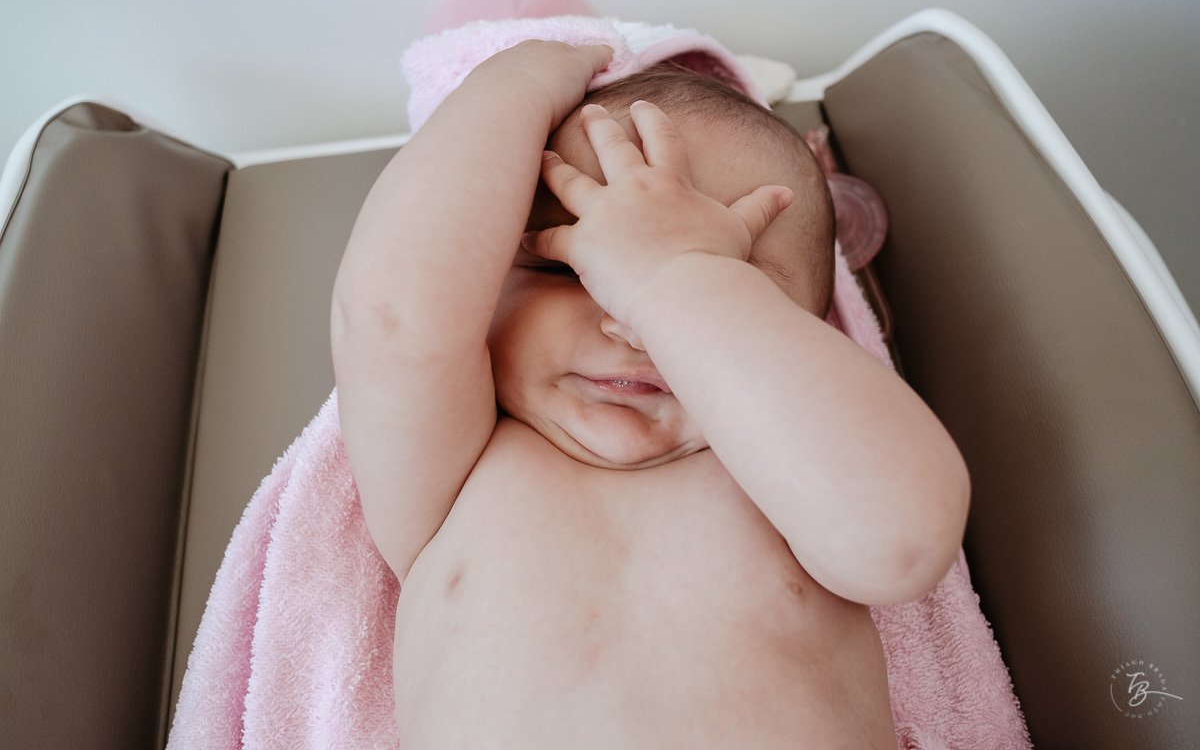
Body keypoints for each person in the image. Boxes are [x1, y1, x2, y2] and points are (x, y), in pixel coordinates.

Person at [331, 40, 971, 747]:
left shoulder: (791, 476)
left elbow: (901, 541)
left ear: (813, 331)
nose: (631, 321)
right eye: (568, 266)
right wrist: (512, 79)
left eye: (732, 273)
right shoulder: (452, 471)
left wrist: (674, 279)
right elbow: (395, 314)